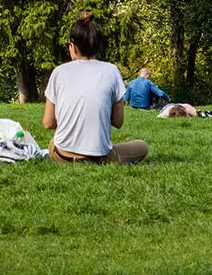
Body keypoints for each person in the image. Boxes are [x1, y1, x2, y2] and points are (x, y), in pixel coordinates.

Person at [43, 12, 149, 165]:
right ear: (97, 46)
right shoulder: (111, 71)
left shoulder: (59, 71)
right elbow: (118, 122)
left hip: (62, 156)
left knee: (54, 141)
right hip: (100, 157)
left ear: (72, 47)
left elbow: (48, 123)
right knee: (142, 146)